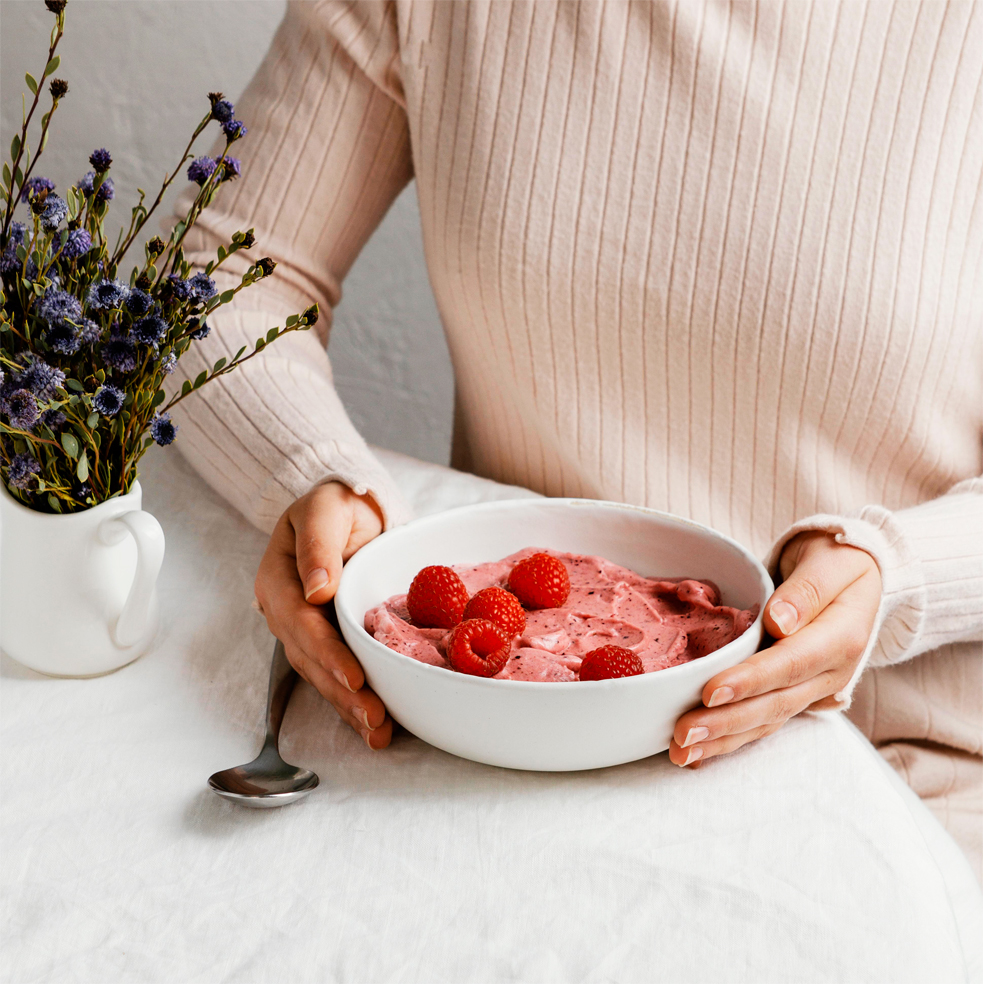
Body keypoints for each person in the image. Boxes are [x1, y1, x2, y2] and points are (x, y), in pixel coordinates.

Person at [171, 1, 982, 876]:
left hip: (902, 772)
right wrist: (308, 475)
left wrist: (895, 573)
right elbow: (224, 277)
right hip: (496, 757)